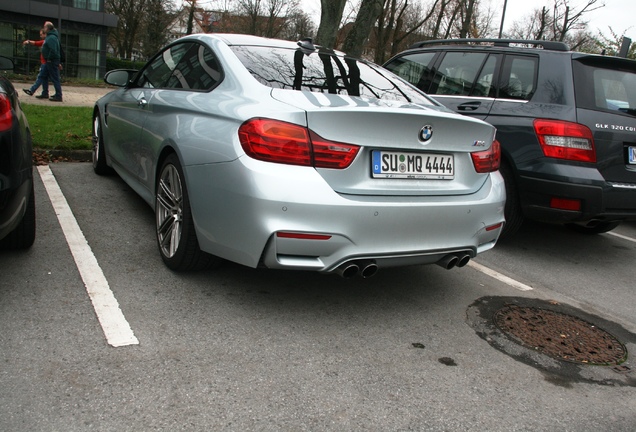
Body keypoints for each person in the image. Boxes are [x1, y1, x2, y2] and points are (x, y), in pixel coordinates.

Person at [22, 29, 49, 99]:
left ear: (45, 34)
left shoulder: (46, 42)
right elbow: (36, 43)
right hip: (46, 63)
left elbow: (37, 43)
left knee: (40, 77)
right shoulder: (45, 42)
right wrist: (28, 41)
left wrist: (28, 42)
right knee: (44, 79)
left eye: (41, 35)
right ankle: (45, 93)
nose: (40, 36)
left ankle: (32, 90)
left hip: (45, 63)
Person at [41, 21, 63, 102]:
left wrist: (49, 58)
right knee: (43, 76)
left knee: (55, 78)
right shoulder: (50, 36)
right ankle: (45, 92)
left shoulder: (52, 37)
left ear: (47, 28)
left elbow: (53, 50)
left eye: (44, 27)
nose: (44, 28)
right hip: (49, 60)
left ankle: (58, 95)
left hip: (51, 60)